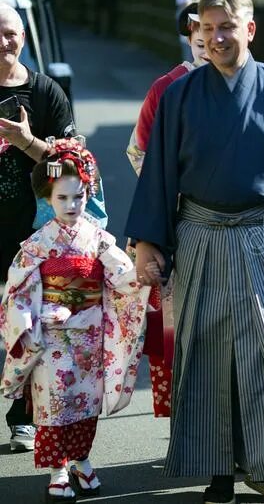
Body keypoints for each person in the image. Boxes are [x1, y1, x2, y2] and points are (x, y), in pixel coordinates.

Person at [125, 0, 264, 504]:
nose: (217, 37)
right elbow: (158, 174)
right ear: (197, 32)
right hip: (200, 233)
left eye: (227, 26)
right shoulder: (179, 96)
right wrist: (149, 241)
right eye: (207, 28)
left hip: (263, 233)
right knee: (207, 354)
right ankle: (216, 471)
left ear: (250, 29)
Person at [0, 138, 148, 503]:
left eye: (78, 197)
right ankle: (58, 468)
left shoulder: (97, 238)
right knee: (55, 401)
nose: (71, 205)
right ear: (47, 198)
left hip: (91, 335)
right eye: (62, 198)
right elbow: (16, 292)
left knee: (86, 401)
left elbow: (123, 276)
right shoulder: (37, 244)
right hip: (51, 338)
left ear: (88, 194)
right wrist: (32, 320)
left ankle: (81, 458)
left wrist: (144, 277)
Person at [126, 0, 212, 418]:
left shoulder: (255, 82)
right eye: (199, 33)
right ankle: (185, 422)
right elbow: (138, 151)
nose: (207, 41)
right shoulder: (167, 87)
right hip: (177, 217)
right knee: (177, 326)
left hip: (238, 222)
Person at [0, 2, 76, 453]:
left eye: (10, 33)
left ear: (24, 38)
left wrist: (27, 143)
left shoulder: (46, 93)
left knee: (28, 330)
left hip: (31, 235)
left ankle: (22, 418)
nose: (3, 42)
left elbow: (72, 167)